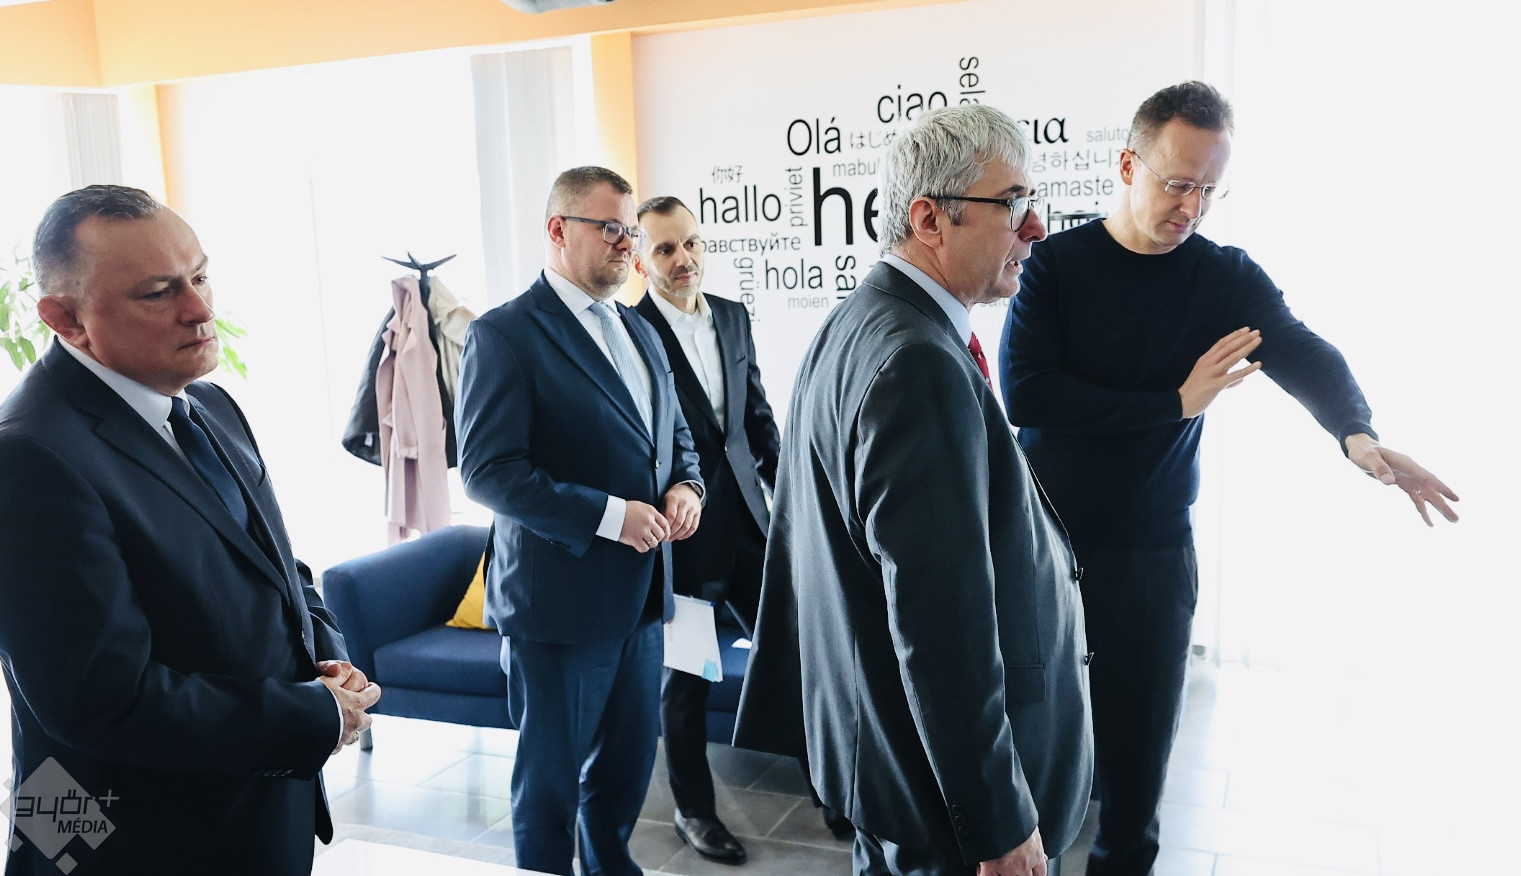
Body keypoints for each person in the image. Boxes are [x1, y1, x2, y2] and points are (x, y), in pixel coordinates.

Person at [997, 80, 1460, 876]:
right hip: (1045, 545)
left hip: (1151, 555)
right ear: (1127, 166)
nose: (1192, 207)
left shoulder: (1221, 277)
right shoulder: (1057, 268)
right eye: (1177, 183)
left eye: (1209, 190)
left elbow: (1298, 348)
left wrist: (1354, 431)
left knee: (1136, 776)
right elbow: (1027, 395)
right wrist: (1172, 404)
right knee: (1036, 758)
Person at [734, 104, 1093, 876]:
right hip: (946, 810)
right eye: (1013, 204)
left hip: (891, 769)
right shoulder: (916, 362)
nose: (1035, 229)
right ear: (929, 219)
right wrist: (997, 825)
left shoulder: (857, 323)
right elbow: (940, 628)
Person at [0, 185, 381, 875]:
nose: (201, 309)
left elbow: (274, 566)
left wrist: (326, 656)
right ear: (65, 318)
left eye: (200, 276)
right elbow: (97, 700)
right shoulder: (26, 455)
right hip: (125, 838)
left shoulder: (208, 403)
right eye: (158, 292)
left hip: (252, 807)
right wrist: (312, 716)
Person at [455, 166, 704, 876]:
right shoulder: (505, 334)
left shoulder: (640, 330)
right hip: (557, 611)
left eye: (631, 231)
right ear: (558, 230)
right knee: (551, 789)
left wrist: (688, 487)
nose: (626, 244)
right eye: (611, 229)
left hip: (642, 602)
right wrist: (609, 516)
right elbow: (488, 471)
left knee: (624, 775)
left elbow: (674, 437)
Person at [631, 195, 787, 863]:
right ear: (640, 260)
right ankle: (694, 813)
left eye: (691, 242)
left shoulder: (731, 315)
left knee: (791, 659)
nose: (683, 258)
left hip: (751, 528)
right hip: (682, 541)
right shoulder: (629, 330)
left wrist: (792, 498)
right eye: (665, 248)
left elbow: (756, 419)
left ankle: (833, 794)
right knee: (689, 681)